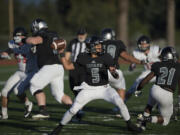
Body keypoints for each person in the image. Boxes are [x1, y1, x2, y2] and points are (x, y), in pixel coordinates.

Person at [49, 36, 142, 135]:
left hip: (105, 88)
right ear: (91, 47)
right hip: (88, 89)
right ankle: (58, 128)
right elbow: (67, 66)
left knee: (120, 103)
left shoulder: (106, 56)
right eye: (97, 45)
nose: (100, 47)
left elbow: (116, 76)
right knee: (73, 110)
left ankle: (129, 124)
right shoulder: (83, 57)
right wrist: (62, 53)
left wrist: (113, 72)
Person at [23, 18, 73, 119]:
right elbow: (62, 45)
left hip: (49, 66)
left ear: (37, 27)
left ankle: (43, 111)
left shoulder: (42, 34)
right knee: (59, 95)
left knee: (34, 85)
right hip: (58, 67)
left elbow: (35, 40)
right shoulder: (53, 34)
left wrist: (24, 39)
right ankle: (76, 110)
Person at [100, 28, 145, 116]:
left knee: (90, 90)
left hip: (100, 72)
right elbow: (125, 56)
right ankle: (120, 108)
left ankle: (78, 108)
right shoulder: (118, 43)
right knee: (121, 87)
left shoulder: (99, 43)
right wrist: (139, 62)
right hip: (114, 71)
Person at [135, 46, 180, 130]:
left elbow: (146, 79)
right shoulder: (178, 66)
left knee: (149, 105)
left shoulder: (158, 65)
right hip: (167, 93)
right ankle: (145, 119)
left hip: (155, 89)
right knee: (165, 121)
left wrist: (139, 89)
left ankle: (142, 125)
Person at [0, 27, 34, 119]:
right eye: (15, 36)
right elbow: (7, 51)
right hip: (19, 71)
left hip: (29, 72)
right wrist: (3, 55)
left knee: (17, 91)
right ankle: (4, 114)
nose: (16, 38)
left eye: (18, 36)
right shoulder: (12, 44)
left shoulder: (30, 44)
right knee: (4, 92)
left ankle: (28, 103)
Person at [125, 35, 161, 101]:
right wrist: (132, 66)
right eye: (142, 44)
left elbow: (165, 59)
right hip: (148, 72)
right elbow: (133, 64)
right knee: (133, 87)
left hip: (160, 71)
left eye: (145, 44)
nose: (144, 46)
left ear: (148, 44)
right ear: (139, 45)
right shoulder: (136, 53)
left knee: (165, 88)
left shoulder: (155, 50)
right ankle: (122, 103)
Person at [65, 27, 88, 120]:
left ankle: (79, 110)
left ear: (86, 35)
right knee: (73, 88)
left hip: (84, 68)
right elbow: (67, 56)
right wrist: (66, 64)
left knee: (81, 89)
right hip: (73, 68)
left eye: (82, 34)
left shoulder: (89, 43)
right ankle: (79, 108)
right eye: (79, 34)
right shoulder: (73, 42)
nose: (81, 36)